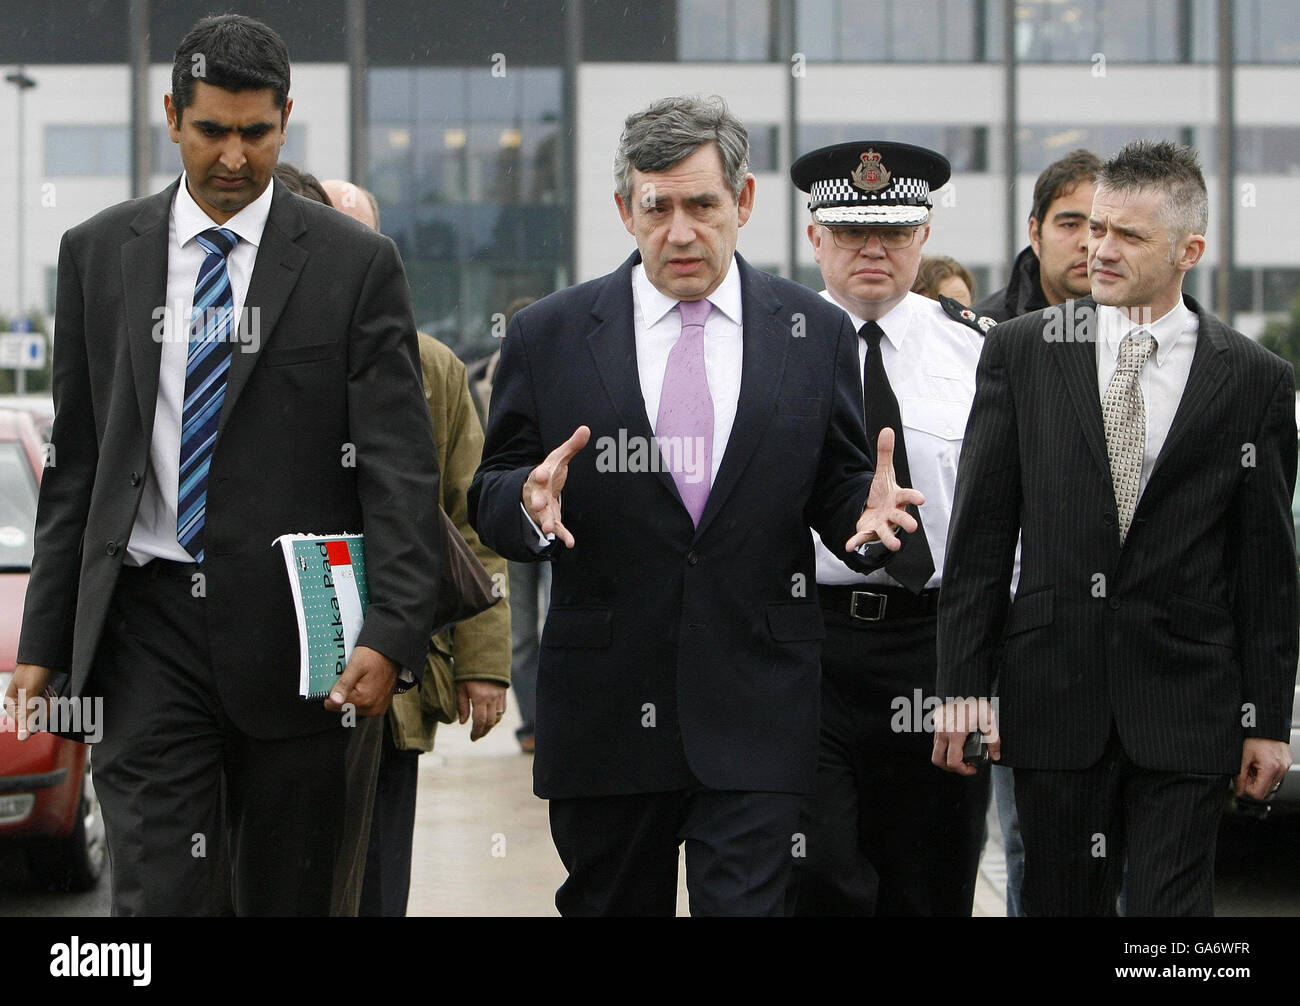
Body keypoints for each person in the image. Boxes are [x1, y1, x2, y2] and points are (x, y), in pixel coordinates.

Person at [4, 14, 442, 916]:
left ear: (287, 120)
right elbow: (78, 465)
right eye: (212, 131)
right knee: (160, 894)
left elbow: (399, 469)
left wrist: (392, 631)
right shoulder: (97, 255)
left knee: (286, 894)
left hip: (298, 639)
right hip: (146, 631)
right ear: (172, 116)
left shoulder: (355, 267)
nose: (235, 157)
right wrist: (46, 641)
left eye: (256, 133)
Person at [468, 95, 924, 917]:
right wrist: (527, 505)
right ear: (625, 210)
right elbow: (494, 486)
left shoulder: (811, 333)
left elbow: (840, 485)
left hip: (756, 709)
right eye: (658, 206)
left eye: (703, 205)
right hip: (606, 714)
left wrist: (866, 521)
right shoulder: (550, 334)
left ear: (742, 203)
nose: (681, 231)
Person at [934, 140, 1298, 916]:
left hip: (1188, 708)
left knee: (1171, 918)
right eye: (1096, 228)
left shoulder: (1255, 381)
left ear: (1188, 250)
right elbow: (980, 541)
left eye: (1128, 236)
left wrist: (1265, 719)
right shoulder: (1021, 352)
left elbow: (1267, 568)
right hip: (1053, 699)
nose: (1100, 250)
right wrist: (963, 688)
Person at [785, 141, 994, 916]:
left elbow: (1007, 526)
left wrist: (981, 676)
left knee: (931, 885)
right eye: (849, 232)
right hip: (805, 645)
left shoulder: (982, 352)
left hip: (934, 648)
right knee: (821, 878)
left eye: (895, 232)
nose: (873, 249)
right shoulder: (772, 347)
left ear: (925, 233)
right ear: (814, 238)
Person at [318, 177, 512, 917]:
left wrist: (485, 663)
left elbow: (470, 524)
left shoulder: (430, 367)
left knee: (374, 881)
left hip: (390, 676)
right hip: (276, 675)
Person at [972, 147, 1100, 916]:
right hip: (1021, 635)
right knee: (1032, 841)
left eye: (1107, 225)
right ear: (1035, 229)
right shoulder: (983, 335)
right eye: (1071, 222)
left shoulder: (1150, 327)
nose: (1090, 242)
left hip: (1128, 635)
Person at [975, 149, 1099, 324]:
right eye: (1070, 224)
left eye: (1099, 228)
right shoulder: (984, 330)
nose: (1088, 243)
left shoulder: (1144, 320)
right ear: (1035, 234)